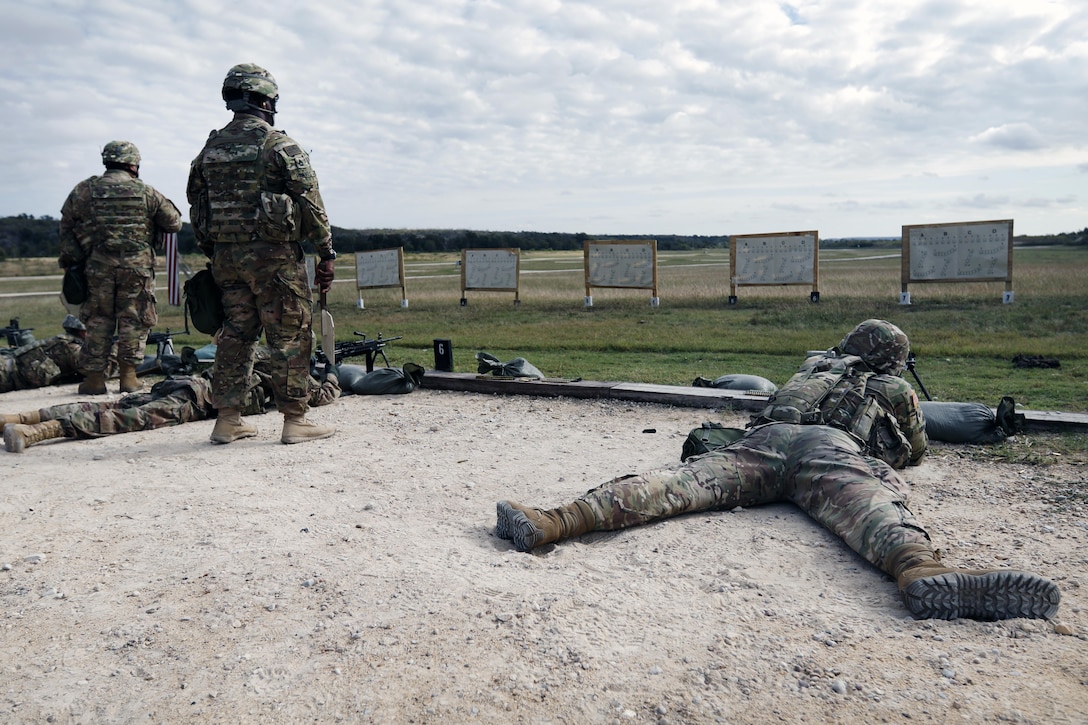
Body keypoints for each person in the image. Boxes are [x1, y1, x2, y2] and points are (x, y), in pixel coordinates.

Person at [496, 320, 1061, 622]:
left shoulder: (812, 367)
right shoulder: (895, 386)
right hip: (829, 450)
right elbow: (913, 452)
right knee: (870, 506)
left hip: (765, 442)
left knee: (677, 486)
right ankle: (918, 569)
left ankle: (554, 520)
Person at [187, 63, 337, 446]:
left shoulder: (209, 150)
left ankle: (228, 420)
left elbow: (197, 205)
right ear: (266, 100)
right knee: (289, 334)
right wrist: (325, 252)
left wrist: (217, 251)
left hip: (226, 258)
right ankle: (295, 420)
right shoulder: (280, 146)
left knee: (236, 334)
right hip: (275, 259)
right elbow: (309, 201)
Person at [59, 141, 183, 396]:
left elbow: (67, 228)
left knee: (97, 320)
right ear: (133, 164)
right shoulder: (146, 192)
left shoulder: (84, 190)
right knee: (133, 319)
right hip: (136, 269)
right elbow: (173, 223)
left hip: (97, 267)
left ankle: (94, 380)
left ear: (107, 161)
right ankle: (128, 377)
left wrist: (75, 260)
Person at [2, 363, 340, 453]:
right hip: (194, 398)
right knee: (127, 417)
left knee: (113, 402)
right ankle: (36, 433)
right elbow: (318, 395)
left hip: (183, 382)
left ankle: (18, 417)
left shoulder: (252, 352)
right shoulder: (286, 368)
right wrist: (332, 376)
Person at [0, 315, 92, 393]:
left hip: (7, 370)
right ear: (84, 333)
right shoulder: (70, 347)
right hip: (6, 374)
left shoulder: (62, 342)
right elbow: (96, 370)